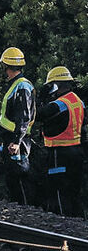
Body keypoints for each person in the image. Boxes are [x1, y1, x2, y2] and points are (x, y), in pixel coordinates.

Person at [35, 66, 84, 217]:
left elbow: (37, 115)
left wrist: (40, 99)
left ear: (55, 84)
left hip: (59, 153)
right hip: (77, 151)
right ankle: (79, 227)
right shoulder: (78, 101)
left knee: (58, 192)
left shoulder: (58, 104)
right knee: (74, 192)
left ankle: (63, 230)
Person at [0, 47, 36, 206]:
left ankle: (25, 210)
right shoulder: (17, 85)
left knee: (20, 176)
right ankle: (18, 208)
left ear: (6, 66)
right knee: (13, 177)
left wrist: (17, 141)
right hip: (12, 138)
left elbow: (24, 116)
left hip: (17, 139)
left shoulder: (22, 86)